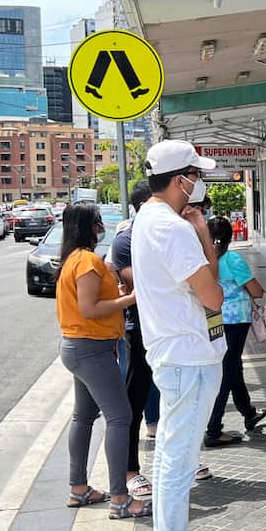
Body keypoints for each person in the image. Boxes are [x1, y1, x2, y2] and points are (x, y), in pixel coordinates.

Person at [132, 140, 230, 531]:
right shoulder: (169, 229)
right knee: (178, 461)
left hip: (179, 354)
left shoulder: (152, 220)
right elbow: (213, 295)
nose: (200, 182)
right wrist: (200, 233)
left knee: (175, 457)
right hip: (188, 356)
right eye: (196, 175)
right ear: (180, 180)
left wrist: (200, 230)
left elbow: (203, 285)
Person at [55, 203, 147, 520]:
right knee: (120, 417)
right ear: (91, 226)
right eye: (98, 222)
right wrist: (130, 298)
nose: (101, 228)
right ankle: (120, 499)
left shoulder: (72, 260)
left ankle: (79, 488)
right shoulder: (88, 261)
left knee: (83, 417)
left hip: (77, 346)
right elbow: (90, 309)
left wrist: (116, 295)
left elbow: (89, 303)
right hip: (92, 348)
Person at [111, 180, 159, 499]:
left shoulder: (166, 233)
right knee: (134, 398)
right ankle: (129, 469)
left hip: (170, 327)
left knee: (176, 397)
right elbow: (142, 283)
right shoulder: (125, 240)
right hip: (140, 328)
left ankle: (182, 460)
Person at [203, 216, 266, 447]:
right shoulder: (232, 259)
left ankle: (248, 412)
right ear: (230, 237)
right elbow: (256, 291)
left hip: (214, 317)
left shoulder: (205, 259)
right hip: (236, 320)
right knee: (228, 370)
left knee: (232, 364)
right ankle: (213, 429)